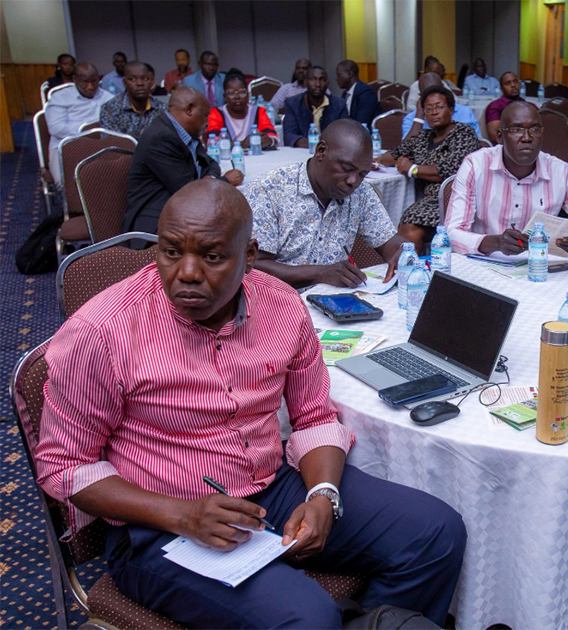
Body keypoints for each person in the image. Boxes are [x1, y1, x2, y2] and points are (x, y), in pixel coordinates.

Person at [35, 177, 467, 629]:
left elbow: (314, 416)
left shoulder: (282, 305)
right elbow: (63, 465)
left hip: (270, 487)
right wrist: (181, 514)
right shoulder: (102, 331)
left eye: (213, 256)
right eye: (169, 251)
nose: (186, 272)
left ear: (251, 256)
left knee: (434, 533)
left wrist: (323, 494)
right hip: (158, 524)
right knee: (309, 618)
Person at [246, 119, 406, 289]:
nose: (354, 181)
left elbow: (390, 243)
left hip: (333, 300)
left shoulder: (361, 193)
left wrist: (404, 253)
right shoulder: (269, 189)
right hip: (275, 301)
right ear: (321, 151)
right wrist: (320, 274)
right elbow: (254, 266)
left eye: (362, 174)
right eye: (346, 168)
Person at [446, 101, 568, 257]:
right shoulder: (476, 166)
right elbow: (450, 233)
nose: (527, 138)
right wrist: (495, 242)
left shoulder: (561, 172)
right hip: (484, 264)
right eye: (516, 129)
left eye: (534, 129)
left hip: (539, 268)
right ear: (500, 137)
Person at [124, 87, 243, 233]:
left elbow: (210, 164)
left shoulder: (185, 132)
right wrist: (224, 181)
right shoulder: (160, 138)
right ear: (189, 110)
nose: (208, 123)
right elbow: (188, 192)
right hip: (154, 224)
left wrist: (207, 181)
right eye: (205, 115)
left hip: (181, 211)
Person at [379, 85, 480, 249]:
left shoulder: (463, 133)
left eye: (440, 107)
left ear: (451, 109)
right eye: (428, 109)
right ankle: (409, 270)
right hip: (429, 200)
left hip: (457, 199)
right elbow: (396, 153)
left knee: (408, 223)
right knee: (405, 228)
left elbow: (450, 170)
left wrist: (412, 169)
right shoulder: (424, 136)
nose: (434, 112)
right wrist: (377, 160)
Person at [45, 62, 113, 185]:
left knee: (113, 179)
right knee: (66, 183)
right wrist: (87, 131)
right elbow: (56, 128)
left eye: (94, 81)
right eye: (85, 82)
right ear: (75, 79)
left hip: (100, 146)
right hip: (65, 146)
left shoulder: (108, 98)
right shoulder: (59, 98)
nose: (90, 86)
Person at [207, 70, 278, 149]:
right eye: (231, 93)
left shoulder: (258, 111)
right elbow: (212, 142)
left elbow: (273, 136)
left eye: (242, 92)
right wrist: (241, 144)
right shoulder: (217, 113)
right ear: (225, 97)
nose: (237, 97)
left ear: (248, 95)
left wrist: (269, 140)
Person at [282, 66, 348, 148]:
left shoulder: (339, 104)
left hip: (331, 153)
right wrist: (315, 144)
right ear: (305, 82)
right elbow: (289, 136)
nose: (318, 84)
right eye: (313, 79)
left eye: (322, 80)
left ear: (327, 83)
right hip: (302, 152)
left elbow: (344, 135)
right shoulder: (293, 103)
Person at [98, 61, 166, 140]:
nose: (140, 83)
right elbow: (111, 144)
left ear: (151, 82)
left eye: (144, 78)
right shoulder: (110, 109)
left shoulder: (163, 109)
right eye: (133, 79)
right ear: (124, 83)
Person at [401, 73, 481, 139]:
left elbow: (478, 143)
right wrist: (419, 116)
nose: (434, 98)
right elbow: (405, 149)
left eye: (438, 92)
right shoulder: (411, 118)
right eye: (428, 94)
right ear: (420, 95)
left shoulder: (465, 112)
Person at [484, 72, 537, 144]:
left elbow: (541, 129)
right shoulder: (495, 106)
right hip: (506, 148)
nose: (513, 85)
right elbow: (494, 136)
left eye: (515, 81)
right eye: (507, 83)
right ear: (502, 89)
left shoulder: (530, 106)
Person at [335, 60, 377, 128]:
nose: (336, 78)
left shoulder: (366, 92)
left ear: (349, 74)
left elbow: (362, 122)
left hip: (363, 134)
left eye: (339, 75)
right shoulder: (345, 94)